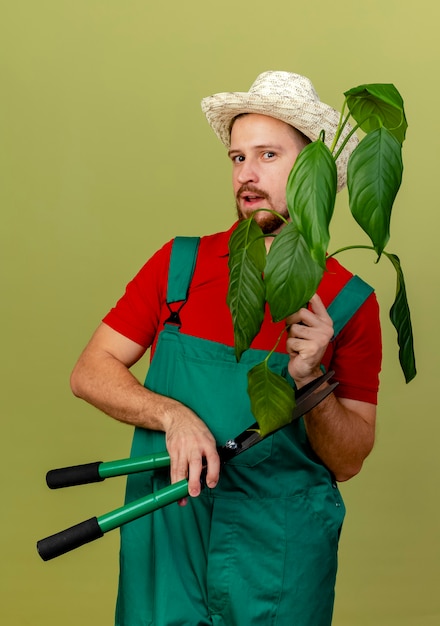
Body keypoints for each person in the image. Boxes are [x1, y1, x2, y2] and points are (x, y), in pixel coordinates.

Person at [70, 71, 382, 626]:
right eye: (239, 158)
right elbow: (91, 372)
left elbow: (350, 459)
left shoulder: (350, 301)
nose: (248, 175)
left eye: (268, 154)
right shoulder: (180, 266)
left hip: (281, 546)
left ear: (313, 169)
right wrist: (172, 416)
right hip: (169, 527)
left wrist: (311, 380)